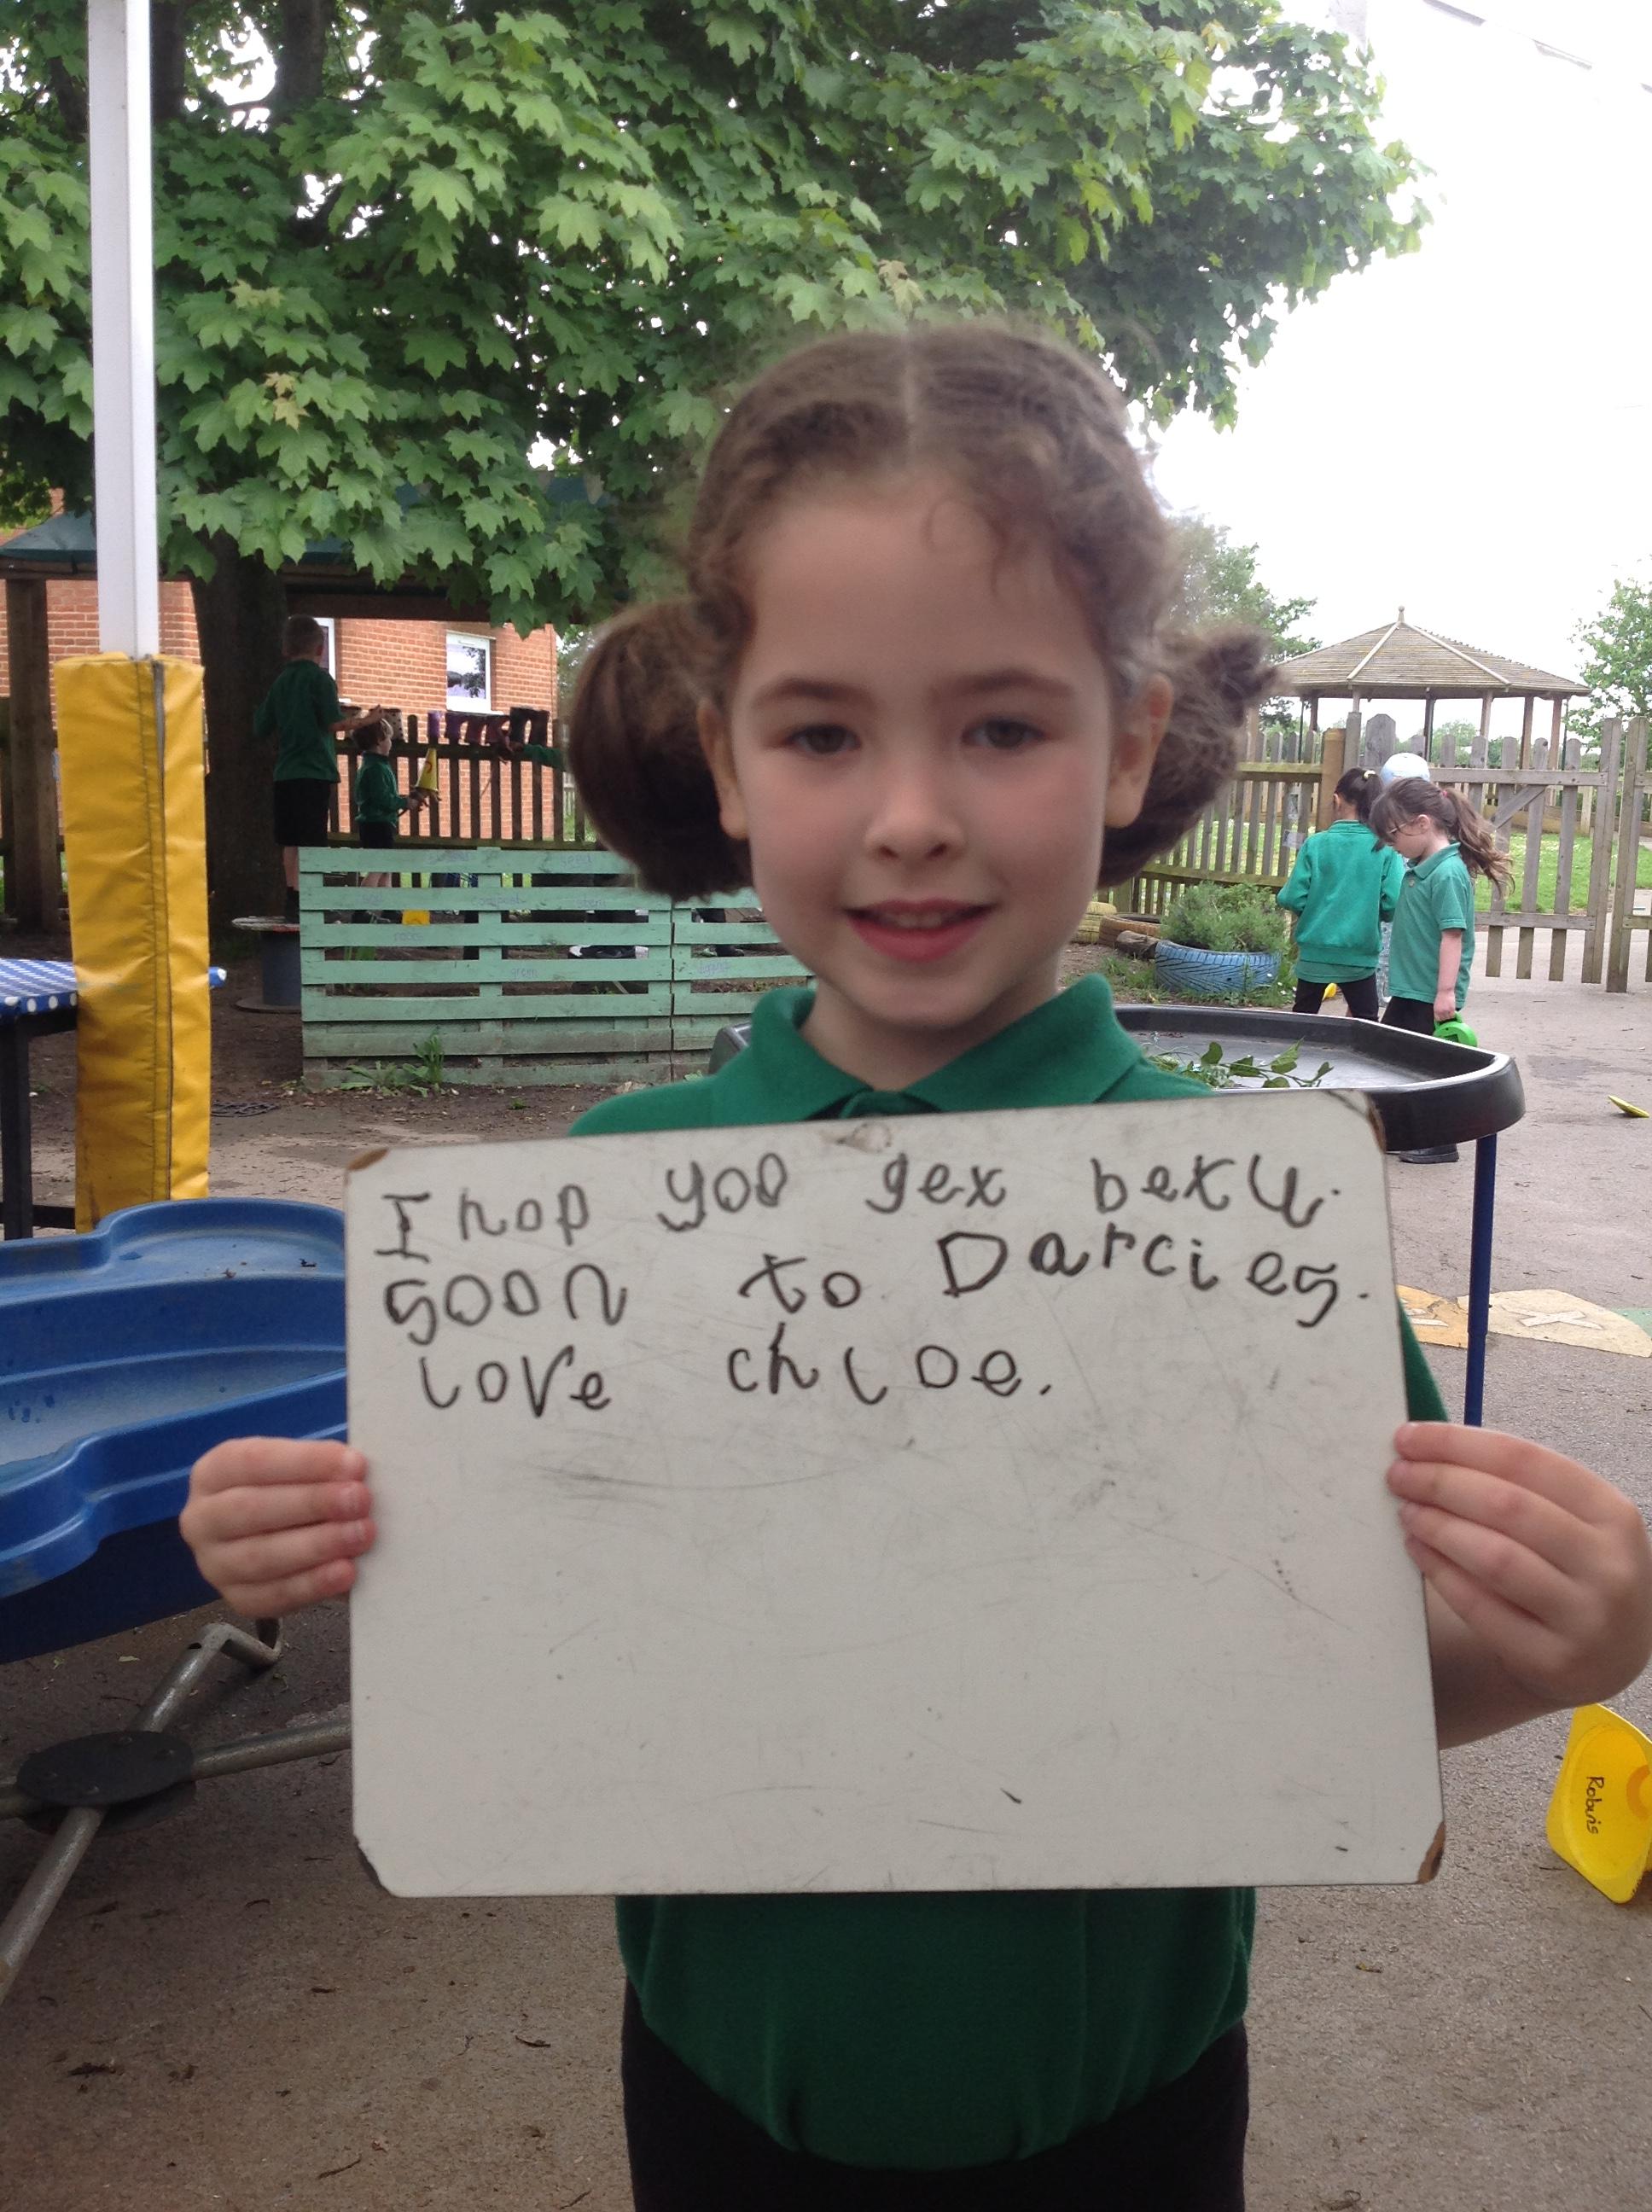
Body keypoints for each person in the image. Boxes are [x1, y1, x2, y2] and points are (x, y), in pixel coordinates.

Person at [180, 325, 1652, 2212]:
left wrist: (1559, 1643)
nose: (908, 815)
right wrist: (298, 1540)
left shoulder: (1247, 1226)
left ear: (1129, 746)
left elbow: (1343, 1677)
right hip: (716, 2108)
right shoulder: (596, 1219)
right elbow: (501, 1620)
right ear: (722, 758)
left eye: (1001, 727)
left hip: (1128, 2125)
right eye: (820, 732)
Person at [1369, 780, 1509, 1166]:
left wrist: (1445, 993)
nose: (1391, 844)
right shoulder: (1421, 868)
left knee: (1426, 1068)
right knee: (1390, 1055)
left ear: (1422, 823)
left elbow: (1453, 936)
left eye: (1394, 834)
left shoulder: (1447, 873)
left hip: (1430, 992)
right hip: (1411, 988)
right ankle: (1404, 1131)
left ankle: (1441, 1141)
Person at [254, 614, 381, 920]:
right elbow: (334, 723)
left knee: (290, 840)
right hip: (314, 772)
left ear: (286, 648)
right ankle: (313, 900)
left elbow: (261, 726)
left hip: (285, 773)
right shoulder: (320, 680)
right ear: (320, 649)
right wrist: (368, 720)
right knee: (312, 839)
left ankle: (293, 898)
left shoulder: (280, 683)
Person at [1276, 768, 1405, 1021]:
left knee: (1301, 1022)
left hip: (1314, 954)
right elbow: (1393, 903)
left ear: (1336, 800)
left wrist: (1312, 910)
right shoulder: (1384, 850)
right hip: (1359, 957)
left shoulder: (1315, 844)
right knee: (1366, 1021)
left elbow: (1292, 897)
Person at [352, 715, 432, 890]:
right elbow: (382, 799)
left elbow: (383, 795)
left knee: (386, 869)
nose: (391, 742)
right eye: (388, 738)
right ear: (379, 741)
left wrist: (405, 799)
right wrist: (404, 802)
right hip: (377, 825)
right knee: (379, 868)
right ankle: (362, 903)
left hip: (376, 824)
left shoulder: (373, 765)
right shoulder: (376, 769)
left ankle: (386, 904)